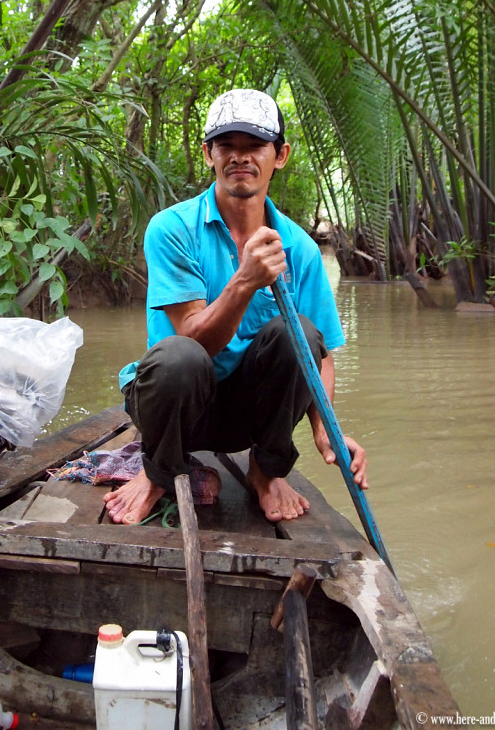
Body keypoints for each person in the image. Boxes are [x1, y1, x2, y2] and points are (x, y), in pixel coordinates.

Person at [104, 88, 367, 525]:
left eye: (255, 146)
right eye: (226, 145)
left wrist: (326, 431)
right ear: (208, 153)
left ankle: (265, 470)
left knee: (299, 333)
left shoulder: (300, 248)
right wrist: (246, 280)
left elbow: (320, 357)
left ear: (280, 156)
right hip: (176, 408)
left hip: (247, 418)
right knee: (179, 356)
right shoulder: (172, 229)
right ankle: (158, 472)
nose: (240, 157)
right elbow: (193, 340)